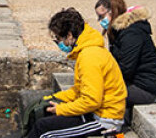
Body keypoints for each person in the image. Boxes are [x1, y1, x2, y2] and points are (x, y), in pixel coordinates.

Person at [30, 8, 126, 138]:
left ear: (69, 36)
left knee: (46, 135)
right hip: (94, 113)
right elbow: (79, 89)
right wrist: (56, 98)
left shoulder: (89, 57)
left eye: (58, 39)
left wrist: (60, 109)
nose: (59, 44)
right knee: (41, 122)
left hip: (104, 120)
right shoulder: (86, 52)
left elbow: (91, 101)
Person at [95, 0, 156, 126]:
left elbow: (126, 68)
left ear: (112, 11)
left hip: (144, 88)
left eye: (101, 16)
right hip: (132, 83)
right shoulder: (118, 31)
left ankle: (109, 125)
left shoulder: (132, 33)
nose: (100, 21)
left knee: (98, 96)